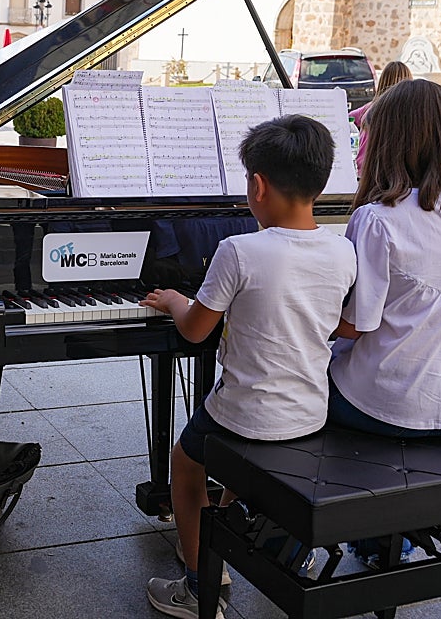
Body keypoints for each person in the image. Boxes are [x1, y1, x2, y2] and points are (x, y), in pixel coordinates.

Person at [143, 115, 357, 619]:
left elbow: (196, 329)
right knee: (238, 463)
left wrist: (176, 299)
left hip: (245, 412)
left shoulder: (240, 250)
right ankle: (218, 532)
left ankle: (200, 585)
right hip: (309, 412)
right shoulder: (342, 248)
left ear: (257, 186)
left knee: (187, 462)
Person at [329, 79, 441, 565]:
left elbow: (356, 326)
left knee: (286, 378)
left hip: (378, 406)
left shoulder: (378, 218)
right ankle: (380, 540)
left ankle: (276, 533)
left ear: (386, 144)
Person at [349, 61, 412, 175]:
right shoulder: (406, 112)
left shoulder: (370, 107)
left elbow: (348, 117)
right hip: (381, 171)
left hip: (360, 168)